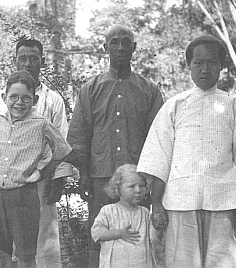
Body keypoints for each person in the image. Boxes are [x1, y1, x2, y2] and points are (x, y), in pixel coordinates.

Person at [137, 35, 236, 268]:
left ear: (221, 66)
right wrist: (157, 203)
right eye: (198, 63)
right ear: (189, 66)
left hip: (223, 200)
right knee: (181, 262)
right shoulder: (174, 106)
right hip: (180, 200)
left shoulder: (235, 106)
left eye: (211, 63)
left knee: (221, 263)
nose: (204, 69)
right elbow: (160, 157)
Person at [65, 24, 164, 266]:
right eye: (114, 42)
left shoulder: (148, 90)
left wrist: (151, 182)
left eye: (125, 42)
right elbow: (79, 136)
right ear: (105, 48)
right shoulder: (91, 89)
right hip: (101, 180)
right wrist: (84, 175)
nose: (120, 47)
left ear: (134, 48)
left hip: (138, 183)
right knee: (99, 240)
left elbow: (160, 140)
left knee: (140, 240)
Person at [0, 38, 72, 268]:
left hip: (39, 180)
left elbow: (61, 142)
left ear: (42, 62)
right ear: (15, 61)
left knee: (41, 239)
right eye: (22, 58)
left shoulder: (52, 100)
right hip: (4, 184)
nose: (27, 63)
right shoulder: (1, 97)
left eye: (33, 58)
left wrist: (55, 175)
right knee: (2, 246)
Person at [91, 164, 161, 268]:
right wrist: (119, 234)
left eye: (141, 186)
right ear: (117, 189)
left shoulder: (145, 213)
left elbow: (154, 239)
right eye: (132, 186)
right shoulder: (108, 211)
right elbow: (96, 233)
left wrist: (158, 226)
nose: (138, 190)